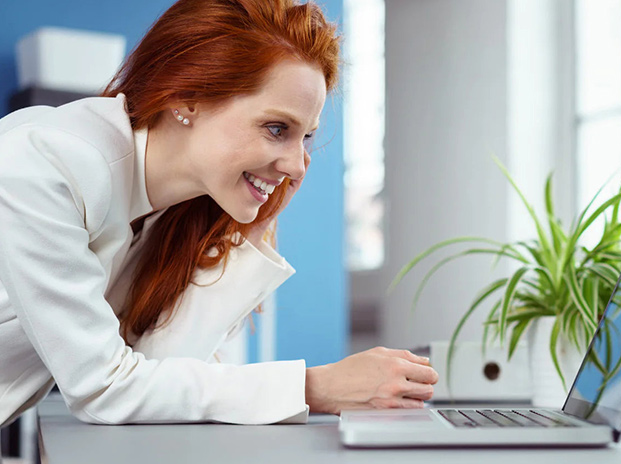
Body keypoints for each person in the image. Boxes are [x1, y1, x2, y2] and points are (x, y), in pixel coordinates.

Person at [0, 0, 437, 427]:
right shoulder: (44, 163)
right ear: (187, 97)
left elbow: (161, 378)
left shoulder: (166, 214)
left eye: (304, 137)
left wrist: (247, 234)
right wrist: (313, 387)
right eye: (276, 128)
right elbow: (104, 389)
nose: (298, 166)